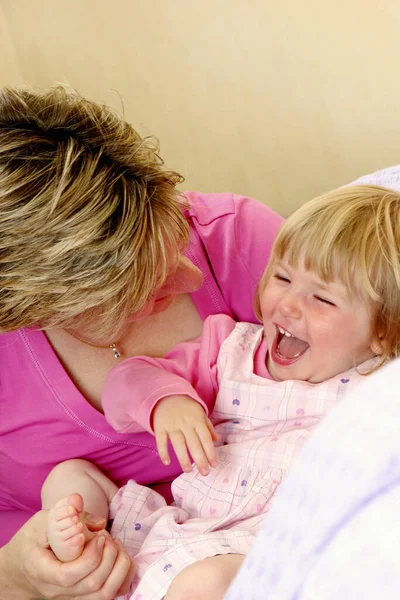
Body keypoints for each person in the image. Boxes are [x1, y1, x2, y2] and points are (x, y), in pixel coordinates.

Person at [41, 184, 400, 600]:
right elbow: (126, 379)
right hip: (174, 525)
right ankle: (84, 543)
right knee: (67, 475)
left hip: (257, 546)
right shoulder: (231, 348)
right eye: (281, 277)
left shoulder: (378, 387)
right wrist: (165, 400)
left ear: (382, 330)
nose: (287, 305)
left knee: (203, 585)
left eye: (322, 298)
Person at [0, 83, 284, 599]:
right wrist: (15, 574)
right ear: (43, 310)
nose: (191, 279)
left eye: (172, 231)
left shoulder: (239, 242)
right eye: (146, 289)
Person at [224, 355, 400, 600]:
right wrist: (169, 400)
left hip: (287, 534)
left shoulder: (374, 384)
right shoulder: (240, 349)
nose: (290, 312)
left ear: (379, 337)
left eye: (326, 312)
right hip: (219, 525)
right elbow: (161, 370)